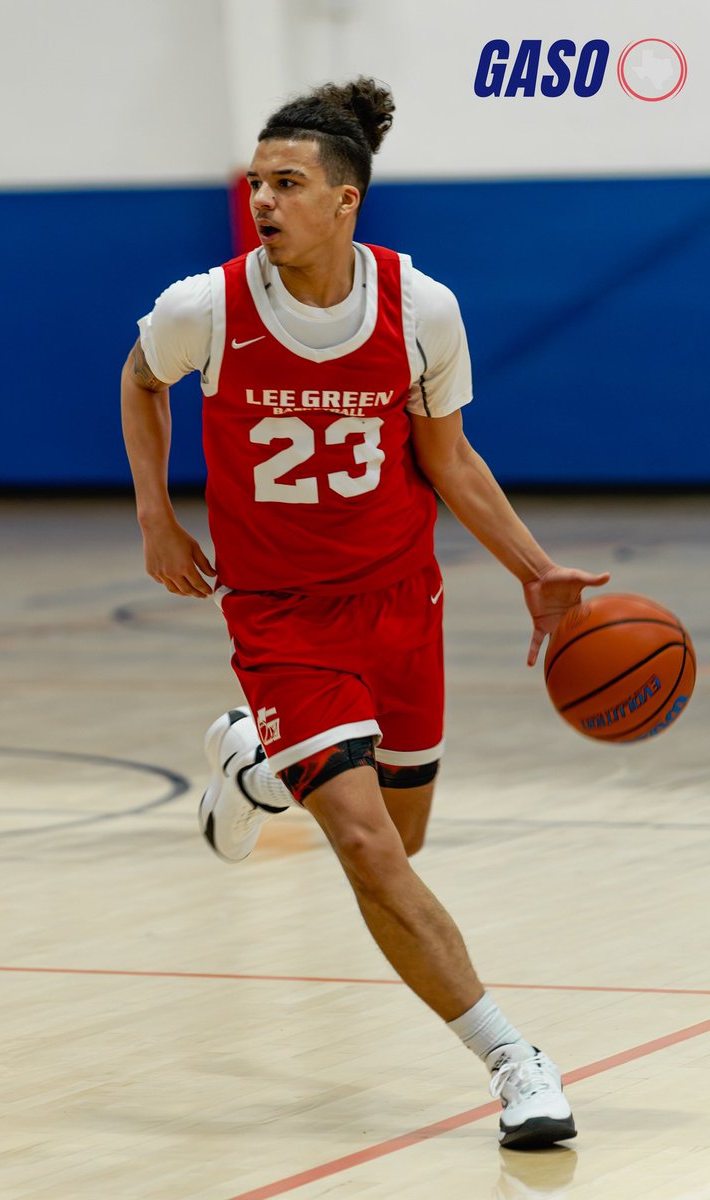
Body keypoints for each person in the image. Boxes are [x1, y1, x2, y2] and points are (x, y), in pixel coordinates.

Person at [121, 78, 608, 1150]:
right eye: (257, 183)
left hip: (399, 604)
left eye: (287, 184)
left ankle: (256, 766)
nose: (263, 200)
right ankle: (515, 1060)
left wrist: (532, 566)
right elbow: (140, 379)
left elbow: (453, 459)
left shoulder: (421, 309)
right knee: (363, 845)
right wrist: (157, 513)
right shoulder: (205, 307)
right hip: (281, 616)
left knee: (403, 838)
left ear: (346, 200)